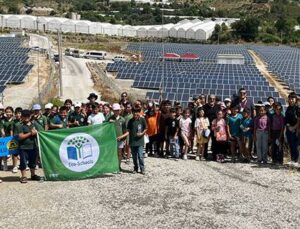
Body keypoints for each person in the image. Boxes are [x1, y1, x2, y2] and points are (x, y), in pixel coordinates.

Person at [15, 110, 41, 183]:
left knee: (33, 162)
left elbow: (40, 132)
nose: (26, 117)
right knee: (23, 162)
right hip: (23, 147)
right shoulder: (18, 125)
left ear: (30, 116)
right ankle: (24, 176)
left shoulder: (34, 124)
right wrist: (31, 133)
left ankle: (33, 175)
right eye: (24, 116)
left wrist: (36, 132)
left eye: (28, 116)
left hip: (33, 146)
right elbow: (20, 137)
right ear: (22, 117)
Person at [127, 108, 147, 174]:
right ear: (132, 113)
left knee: (140, 156)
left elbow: (146, 128)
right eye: (134, 113)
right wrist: (126, 140)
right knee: (134, 157)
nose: (136, 115)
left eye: (137, 113)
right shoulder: (130, 121)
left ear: (139, 113)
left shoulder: (142, 120)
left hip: (140, 141)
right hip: (132, 142)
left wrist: (142, 133)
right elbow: (128, 131)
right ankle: (135, 168)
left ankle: (142, 169)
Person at [108, 103, 128, 171]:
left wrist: (124, 138)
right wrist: (108, 123)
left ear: (119, 110)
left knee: (119, 153)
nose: (116, 111)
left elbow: (125, 130)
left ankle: (118, 166)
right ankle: (112, 166)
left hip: (120, 139)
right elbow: (105, 128)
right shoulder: (110, 119)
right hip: (112, 139)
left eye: (117, 110)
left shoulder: (122, 119)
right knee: (113, 153)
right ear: (113, 111)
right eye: (115, 110)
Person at [203, 94, 221, 160]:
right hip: (206, 127)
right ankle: (204, 155)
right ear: (208, 100)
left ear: (215, 100)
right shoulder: (204, 107)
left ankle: (214, 156)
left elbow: (220, 116)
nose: (212, 100)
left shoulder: (218, 107)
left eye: (213, 99)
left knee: (215, 142)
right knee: (205, 141)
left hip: (215, 128)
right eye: (210, 98)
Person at [285, 92, 300, 166]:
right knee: (291, 145)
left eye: (292, 99)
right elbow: (286, 119)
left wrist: (294, 128)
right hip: (289, 129)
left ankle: (296, 161)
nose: (291, 100)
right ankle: (292, 160)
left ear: (295, 99)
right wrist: (289, 127)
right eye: (290, 98)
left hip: (296, 130)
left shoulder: (298, 108)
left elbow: (299, 120)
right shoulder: (288, 108)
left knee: (295, 145)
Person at [0, 107, 15, 172]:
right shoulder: (2, 120)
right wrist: (3, 135)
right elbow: (1, 128)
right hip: (5, 138)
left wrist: (11, 138)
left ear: (12, 113)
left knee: (14, 152)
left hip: (13, 138)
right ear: (5, 113)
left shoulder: (14, 120)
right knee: (4, 152)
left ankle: (14, 166)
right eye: (7, 112)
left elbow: (13, 130)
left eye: (10, 112)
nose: (8, 113)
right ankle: (5, 165)